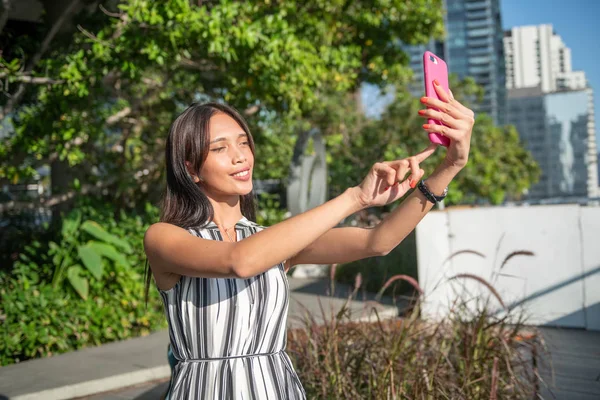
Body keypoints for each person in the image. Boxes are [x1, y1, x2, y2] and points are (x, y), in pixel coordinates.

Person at [143, 81, 474, 399]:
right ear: (190, 169)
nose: (240, 156)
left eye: (243, 142)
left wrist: (450, 165)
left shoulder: (270, 241)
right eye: (220, 148)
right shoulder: (165, 237)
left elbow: (378, 241)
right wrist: (355, 197)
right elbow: (239, 261)